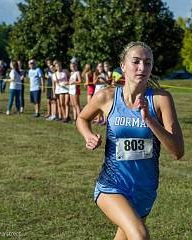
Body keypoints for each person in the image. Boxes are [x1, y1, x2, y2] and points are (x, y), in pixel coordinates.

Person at [76, 41, 184, 240]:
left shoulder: (161, 99)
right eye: (136, 62)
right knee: (139, 236)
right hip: (112, 185)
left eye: (148, 63)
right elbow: (82, 118)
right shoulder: (106, 97)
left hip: (145, 189)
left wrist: (150, 120)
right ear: (123, 65)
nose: (142, 68)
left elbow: (177, 151)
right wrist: (88, 135)